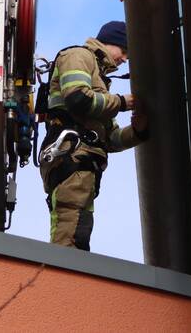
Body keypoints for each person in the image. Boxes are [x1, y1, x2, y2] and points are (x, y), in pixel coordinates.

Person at [38, 21, 148, 250]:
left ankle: (69, 275)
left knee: (78, 227)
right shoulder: (78, 55)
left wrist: (138, 131)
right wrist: (121, 102)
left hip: (81, 159)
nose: (124, 59)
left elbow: (111, 140)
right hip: (72, 155)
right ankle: (63, 277)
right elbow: (78, 98)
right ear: (112, 41)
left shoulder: (100, 77)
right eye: (124, 51)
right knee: (71, 227)